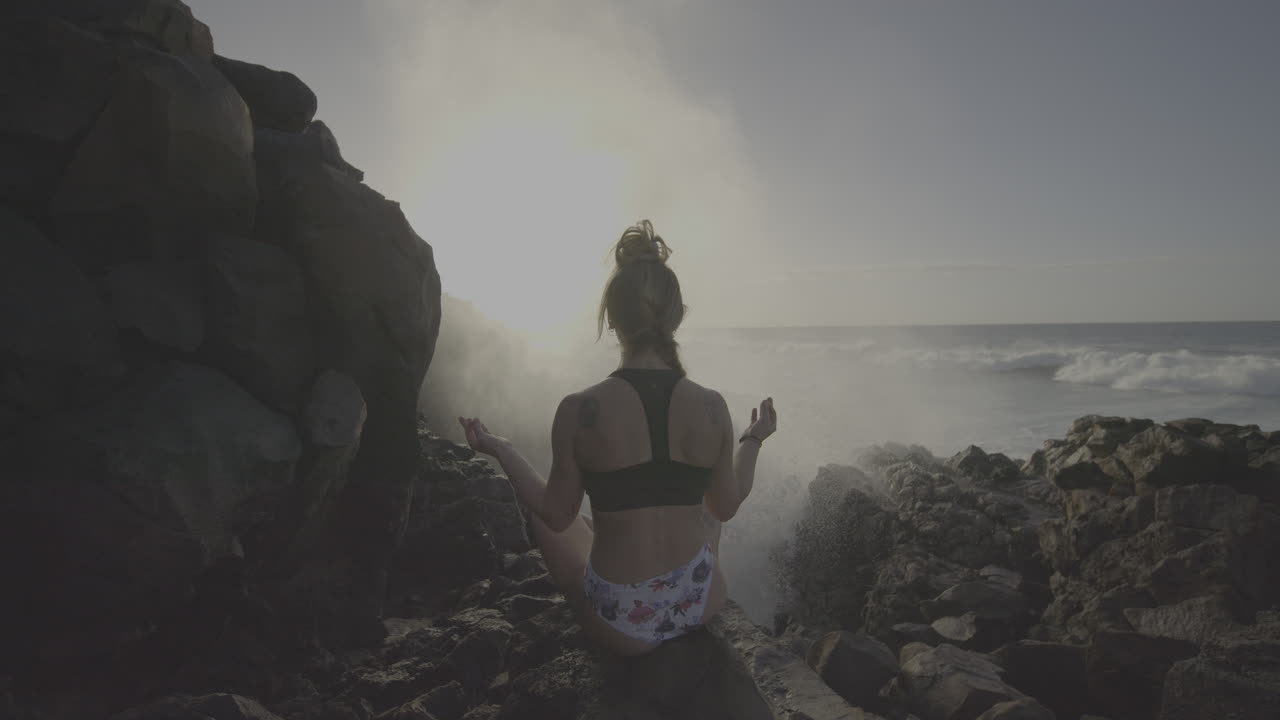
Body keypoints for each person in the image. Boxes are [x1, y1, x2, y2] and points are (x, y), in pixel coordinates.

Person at [458, 219, 777, 656]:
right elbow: (726, 504)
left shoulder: (578, 409)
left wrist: (502, 449)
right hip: (701, 601)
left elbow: (555, 512)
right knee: (706, 513)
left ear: (611, 318)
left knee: (548, 521)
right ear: (677, 315)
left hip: (625, 627)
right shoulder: (713, 406)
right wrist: (753, 439)